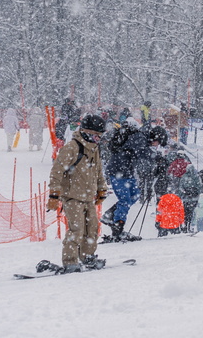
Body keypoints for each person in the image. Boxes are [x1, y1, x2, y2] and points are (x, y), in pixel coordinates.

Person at [46, 114, 109, 273]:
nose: (98, 139)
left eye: (100, 137)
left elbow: (98, 171)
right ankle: (70, 261)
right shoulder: (72, 148)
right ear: (88, 132)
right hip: (72, 197)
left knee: (92, 229)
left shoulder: (94, 149)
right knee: (76, 229)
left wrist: (101, 188)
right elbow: (57, 171)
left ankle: (88, 256)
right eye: (96, 136)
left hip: (88, 198)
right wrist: (54, 194)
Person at [103, 118, 149, 242]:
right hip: (120, 172)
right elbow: (142, 153)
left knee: (135, 195)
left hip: (125, 171)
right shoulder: (137, 137)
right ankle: (118, 227)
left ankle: (111, 215)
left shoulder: (127, 136)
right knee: (125, 200)